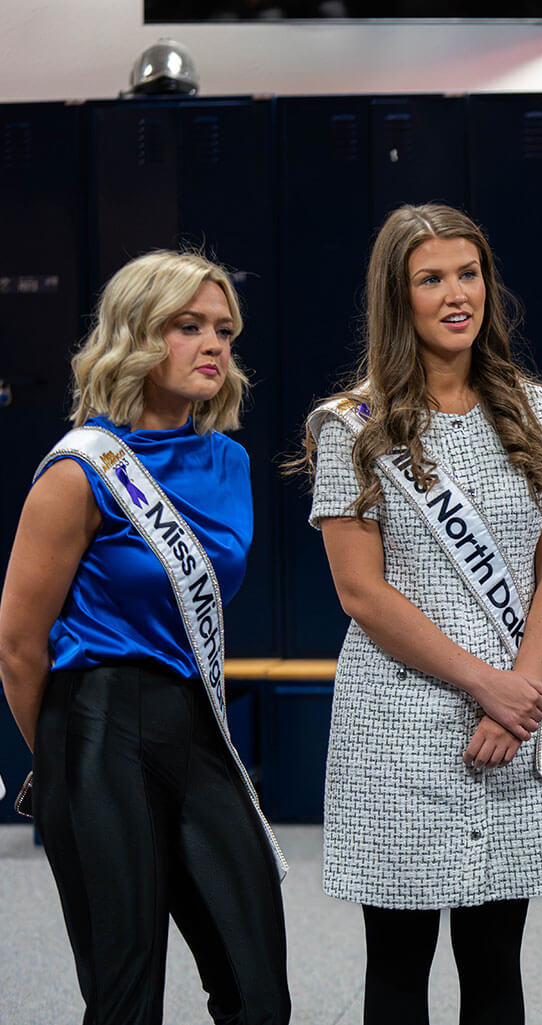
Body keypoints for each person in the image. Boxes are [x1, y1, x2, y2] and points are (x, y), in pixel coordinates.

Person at [298, 203, 542, 1025]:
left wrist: (522, 686)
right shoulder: (352, 424)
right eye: (432, 279)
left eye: (470, 274)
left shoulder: (535, 408)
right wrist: (485, 685)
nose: (457, 295)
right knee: (399, 966)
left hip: (515, 720)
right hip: (397, 723)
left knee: (497, 960)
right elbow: (362, 593)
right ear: (399, 296)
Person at [0, 250, 289, 1024]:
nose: (213, 344)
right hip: (96, 722)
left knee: (258, 990)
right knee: (126, 999)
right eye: (186, 326)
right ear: (135, 335)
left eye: (223, 329)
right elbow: (20, 646)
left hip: (197, 724)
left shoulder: (227, 460)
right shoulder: (78, 471)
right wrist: (63, 756)